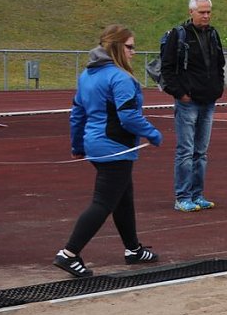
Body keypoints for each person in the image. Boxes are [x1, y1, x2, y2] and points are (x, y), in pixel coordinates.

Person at [53, 24, 163, 278]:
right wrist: (153, 133)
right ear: (116, 47)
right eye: (130, 47)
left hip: (96, 143)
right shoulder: (120, 78)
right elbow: (128, 116)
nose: (134, 52)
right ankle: (68, 253)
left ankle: (133, 249)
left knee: (123, 197)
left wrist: (77, 145)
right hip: (115, 147)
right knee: (103, 202)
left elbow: (77, 113)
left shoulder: (87, 75)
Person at [160, 0, 226, 212]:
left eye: (208, 12)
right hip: (188, 102)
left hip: (208, 100)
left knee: (201, 152)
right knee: (186, 151)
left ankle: (197, 195)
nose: (206, 16)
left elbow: (220, 64)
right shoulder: (179, 35)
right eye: (202, 12)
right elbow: (167, 69)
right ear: (191, 12)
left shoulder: (213, 35)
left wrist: (218, 88)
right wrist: (180, 93)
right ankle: (182, 197)